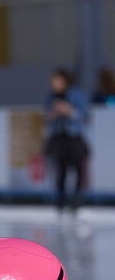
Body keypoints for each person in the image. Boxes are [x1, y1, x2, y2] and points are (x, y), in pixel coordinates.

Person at [45, 68, 90, 214]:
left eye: (56, 81)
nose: (53, 84)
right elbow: (46, 117)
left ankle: (76, 201)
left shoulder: (76, 94)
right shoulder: (51, 97)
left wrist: (68, 110)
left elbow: (84, 115)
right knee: (61, 170)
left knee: (78, 169)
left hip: (74, 136)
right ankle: (61, 202)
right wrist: (54, 113)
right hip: (59, 137)